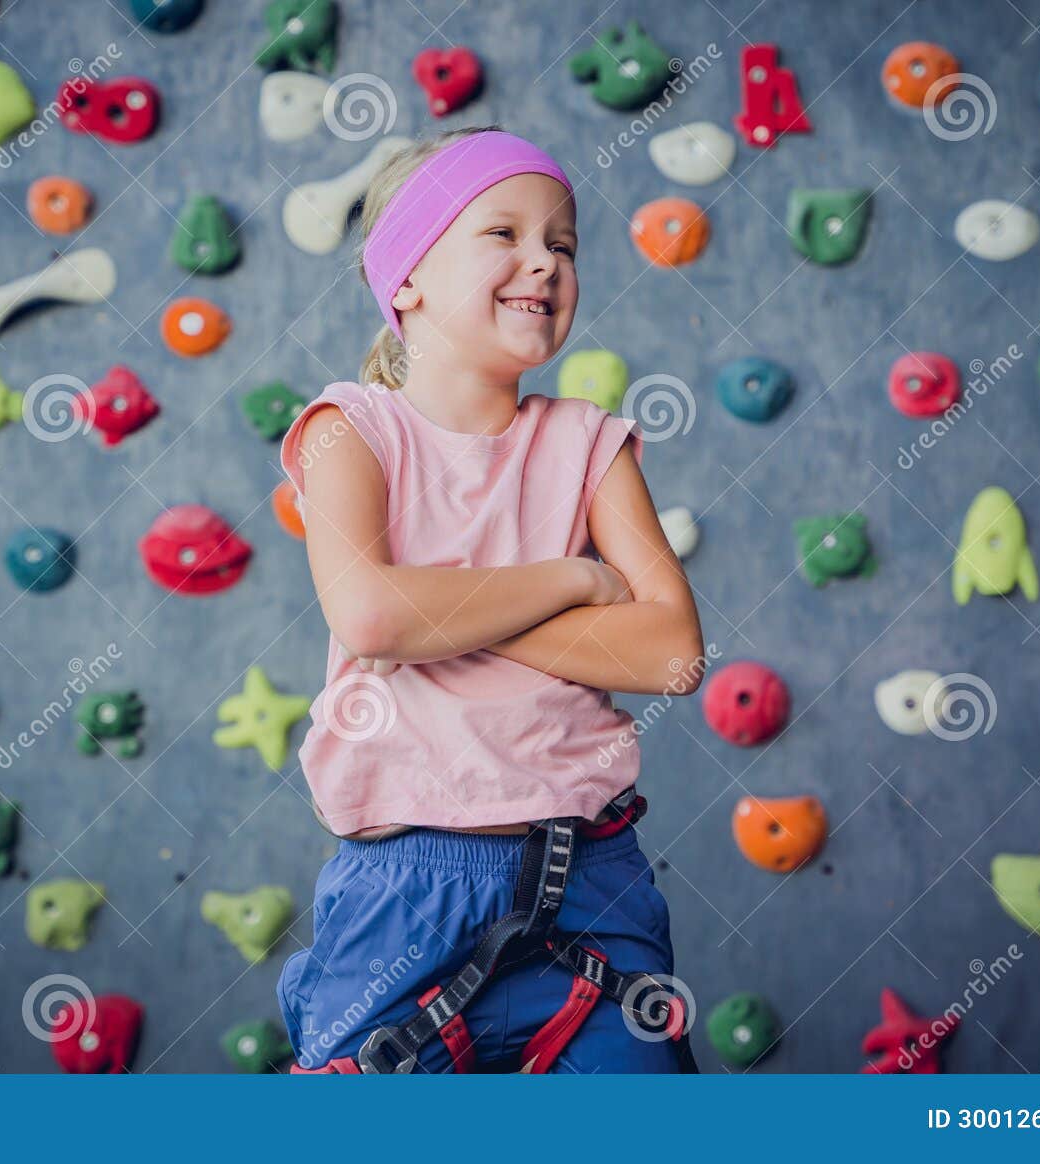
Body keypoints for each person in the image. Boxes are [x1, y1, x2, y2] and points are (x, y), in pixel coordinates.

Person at [276, 127, 705, 1073]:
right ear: (408, 279)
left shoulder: (593, 445)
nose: (542, 263)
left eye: (563, 244)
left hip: (591, 883)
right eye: (502, 234)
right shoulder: (348, 432)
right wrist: (572, 581)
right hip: (405, 892)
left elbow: (672, 654)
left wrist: (450, 621)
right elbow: (372, 619)